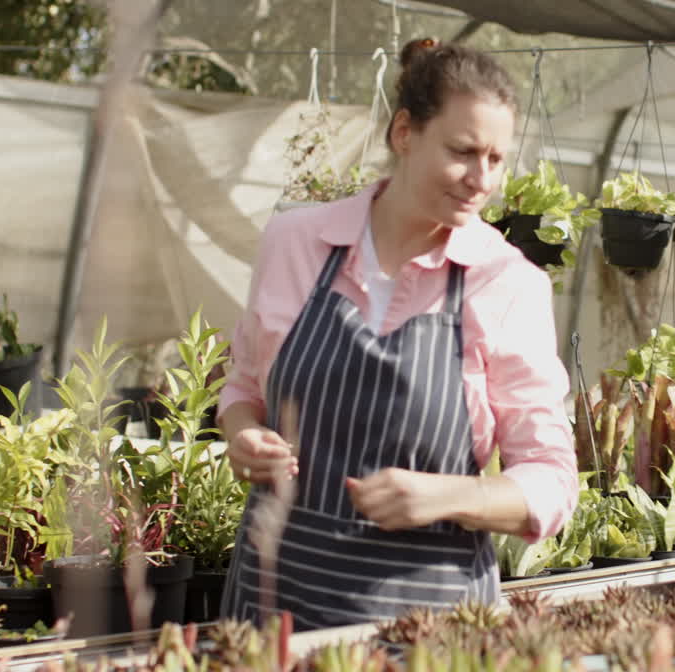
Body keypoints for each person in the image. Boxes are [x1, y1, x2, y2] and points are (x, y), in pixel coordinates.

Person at [217, 38, 578, 630]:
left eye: (496, 158)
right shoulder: (295, 243)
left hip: (425, 625)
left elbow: (552, 477)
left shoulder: (506, 282)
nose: (480, 179)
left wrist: (450, 496)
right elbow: (244, 389)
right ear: (404, 133)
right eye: (463, 151)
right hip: (275, 603)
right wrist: (244, 436)